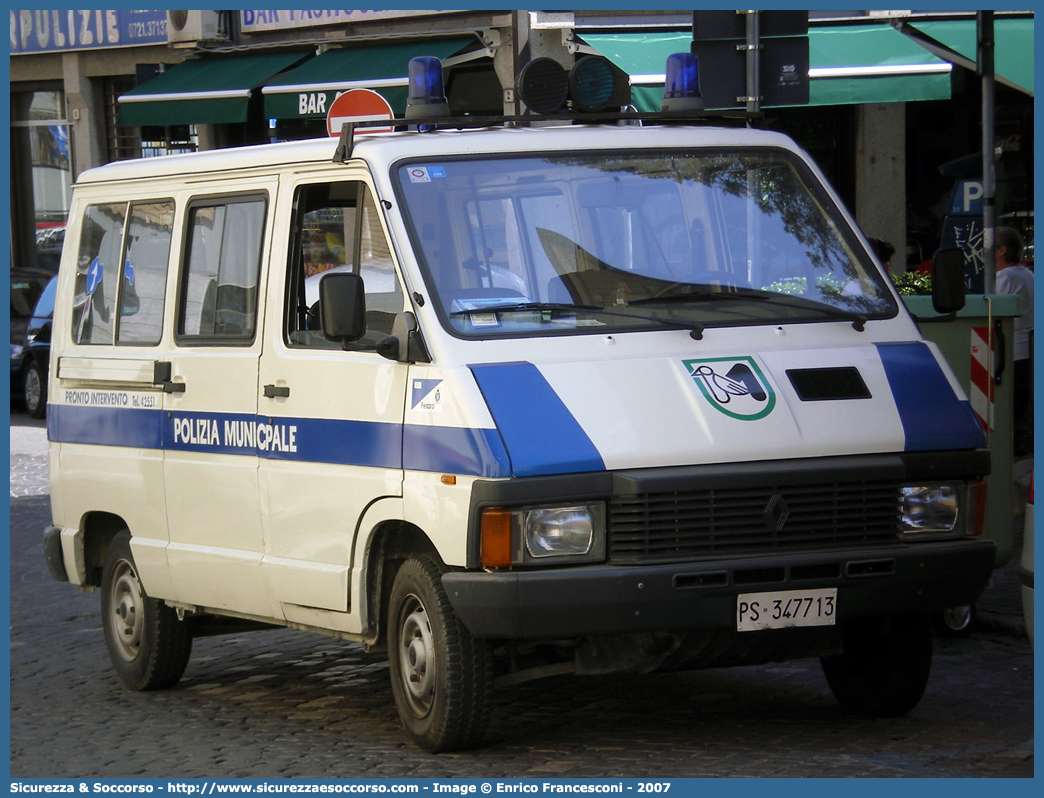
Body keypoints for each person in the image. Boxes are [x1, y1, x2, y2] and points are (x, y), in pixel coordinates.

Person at [994, 226, 1034, 457]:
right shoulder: (1026, 274)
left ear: (1001, 250)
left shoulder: (1006, 277)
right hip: (1025, 348)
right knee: (1021, 405)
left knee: (1011, 405)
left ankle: (1014, 451)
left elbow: (996, 313)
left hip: (1013, 349)